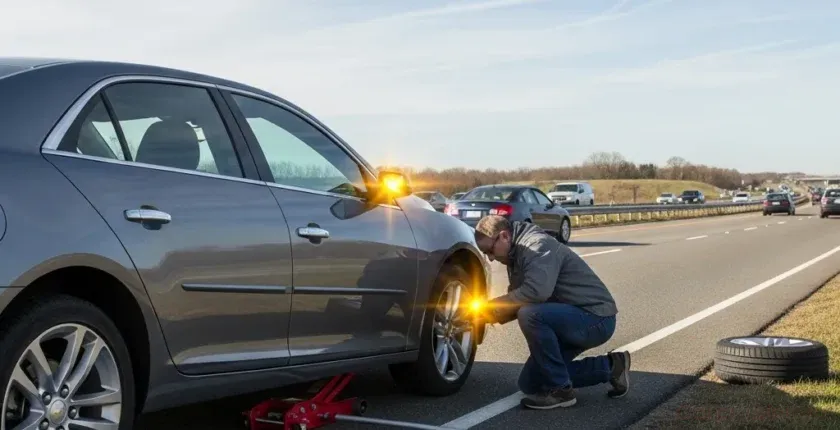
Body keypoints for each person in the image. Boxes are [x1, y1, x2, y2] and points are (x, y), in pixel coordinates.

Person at [470, 215, 630, 410]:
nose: (491, 258)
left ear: (503, 236)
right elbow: (518, 299)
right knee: (530, 383)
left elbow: (536, 292)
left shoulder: (537, 246)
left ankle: (561, 391)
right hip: (568, 318)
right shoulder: (515, 253)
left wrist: (488, 307)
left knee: (530, 314)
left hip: (595, 317)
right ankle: (612, 367)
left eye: (489, 250)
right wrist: (481, 316)